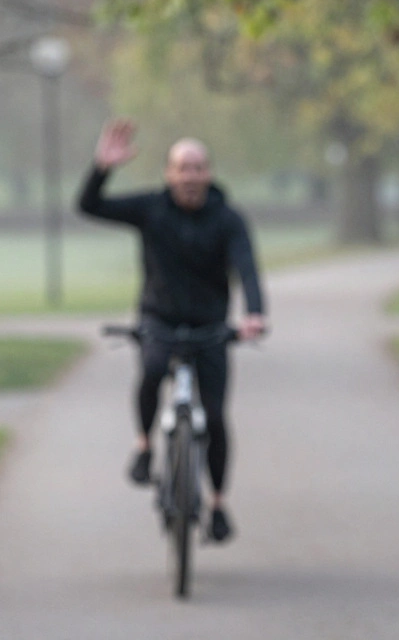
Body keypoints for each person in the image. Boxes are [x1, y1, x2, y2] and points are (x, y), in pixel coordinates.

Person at [78, 119, 267, 543]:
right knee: (151, 372)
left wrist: (254, 314)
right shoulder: (151, 209)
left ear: (209, 174)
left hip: (211, 328)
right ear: (169, 173)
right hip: (159, 320)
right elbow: (89, 206)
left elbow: (247, 267)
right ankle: (145, 445)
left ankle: (217, 504)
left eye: (198, 167)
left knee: (216, 417)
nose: (190, 176)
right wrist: (101, 168)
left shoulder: (228, 218)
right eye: (182, 167)